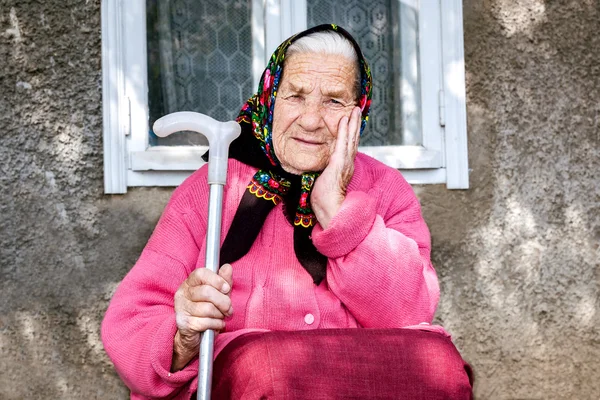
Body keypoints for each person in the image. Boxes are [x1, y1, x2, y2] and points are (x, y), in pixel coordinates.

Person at [102, 24, 472, 399]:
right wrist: (182, 337)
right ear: (269, 97)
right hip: (247, 387)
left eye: (333, 101)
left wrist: (337, 210)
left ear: (359, 114)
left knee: (439, 364)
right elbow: (130, 327)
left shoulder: (386, 190)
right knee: (266, 369)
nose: (311, 120)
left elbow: (410, 312)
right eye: (295, 96)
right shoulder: (210, 190)